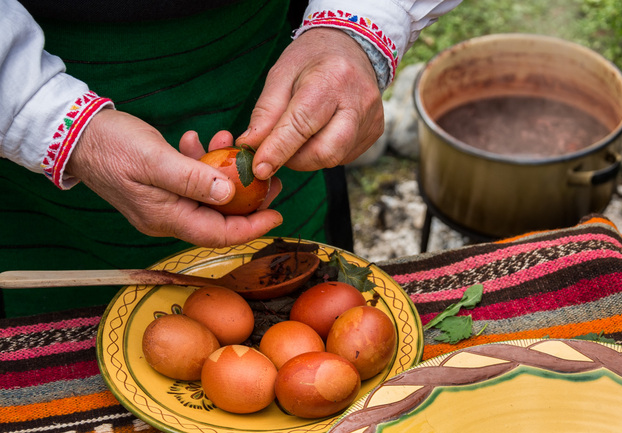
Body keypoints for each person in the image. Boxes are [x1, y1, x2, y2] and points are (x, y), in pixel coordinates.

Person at [0, 0, 463, 317]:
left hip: (261, 65)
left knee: (300, 278)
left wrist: (352, 31)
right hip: (38, 137)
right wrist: (56, 124)